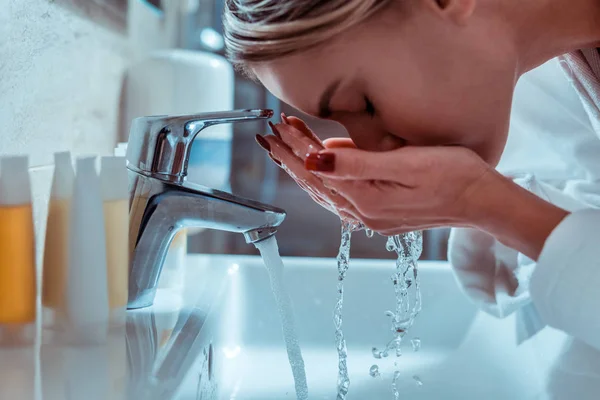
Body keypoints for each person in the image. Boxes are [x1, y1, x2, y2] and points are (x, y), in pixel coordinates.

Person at [222, 0, 600, 357]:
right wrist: (467, 204)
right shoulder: (549, 71)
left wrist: (480, 202)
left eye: (364, 104)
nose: (373, 148)